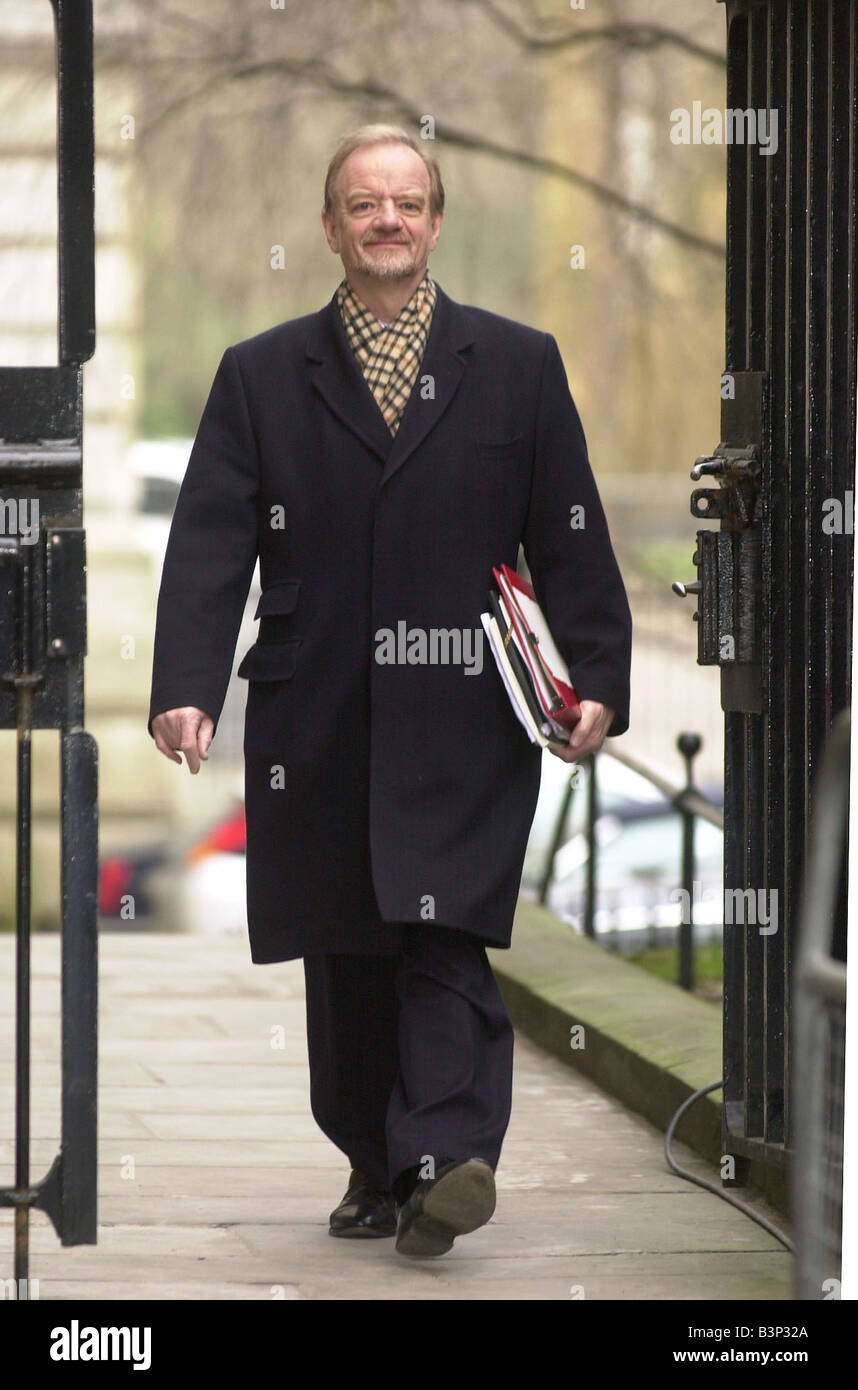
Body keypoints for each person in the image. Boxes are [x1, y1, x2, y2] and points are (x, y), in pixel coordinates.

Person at [147, 123, 632, 1259]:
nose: (387, 222)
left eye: (407, 203)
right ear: (330, 228)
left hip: (468, 711)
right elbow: (212, 541)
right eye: (364, 205)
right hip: (316, 711)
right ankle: (378, 1161)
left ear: (437, 221)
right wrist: (186, 686)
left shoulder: (518, 364)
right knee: (349, 945)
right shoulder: (261, 374)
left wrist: (598, 677)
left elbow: (570, 533)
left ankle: (450, 1157)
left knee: (443, 932)